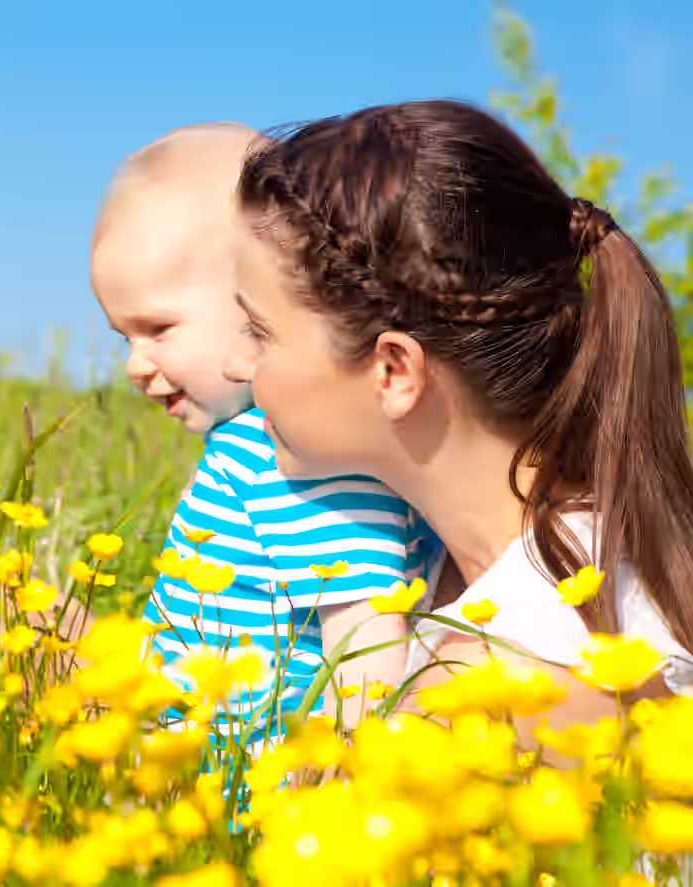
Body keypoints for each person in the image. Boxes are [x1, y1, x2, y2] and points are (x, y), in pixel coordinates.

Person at [224, 100, 693, 722]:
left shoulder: (511, 687)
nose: (234, 365)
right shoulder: (478, 569)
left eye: (259, 331)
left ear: (394, 371)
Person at [90, 123, 436, 753]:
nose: (135, 364)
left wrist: (352, 787)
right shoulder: (265, 442)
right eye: (123, 337)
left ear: (257, 300)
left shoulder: (297, 451)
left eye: (159, 328)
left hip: (250, 796)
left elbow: (364, 640)